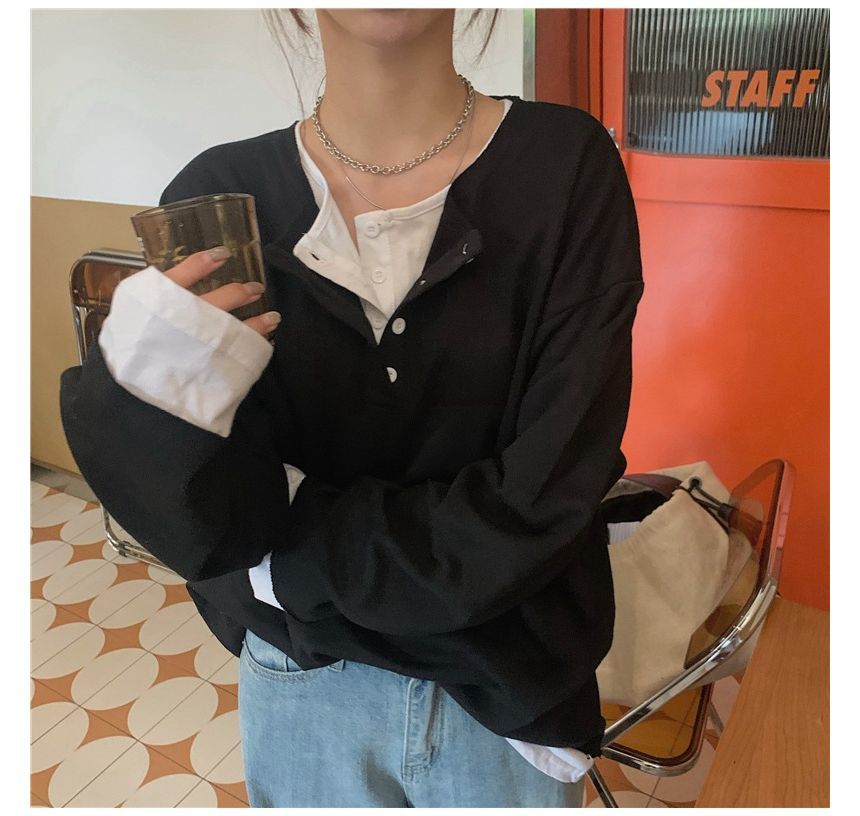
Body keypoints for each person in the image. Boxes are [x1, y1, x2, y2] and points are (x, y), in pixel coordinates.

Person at [60, 8, 644, 808]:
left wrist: (283, 561)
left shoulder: (565, 165)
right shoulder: (216, 199)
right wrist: (145, 395)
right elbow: (214, 522)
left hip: (509, 696)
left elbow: (547, 498)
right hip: (301, 683)